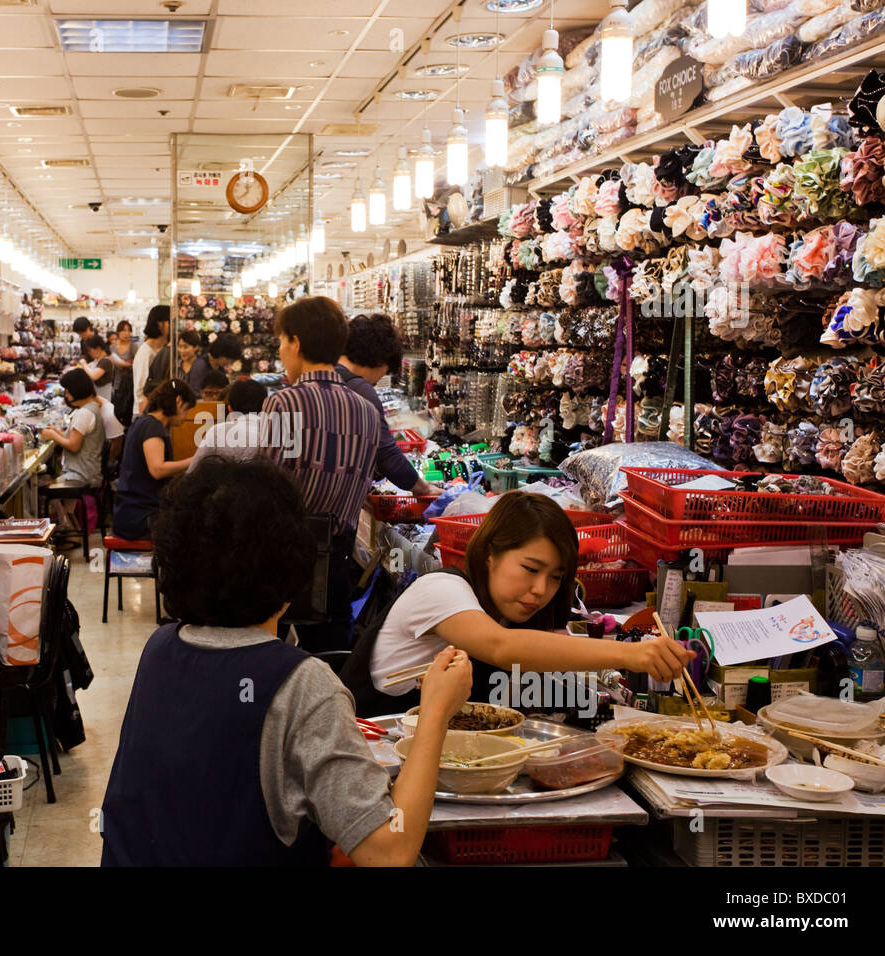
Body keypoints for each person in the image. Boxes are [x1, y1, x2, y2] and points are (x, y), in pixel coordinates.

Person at [101, 457, 474, 866]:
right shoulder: (299, 682)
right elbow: (389, 852)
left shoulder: (160, 648)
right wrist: (436, 712)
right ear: (293, 564)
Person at [343, 491, 695, 716]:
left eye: (556, 577)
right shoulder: (440, 590)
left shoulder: (508, 614)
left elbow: (537, 667)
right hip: (372, 764)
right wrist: (633, 654)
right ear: (491, 553)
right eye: (530, 568)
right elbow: (501, 648)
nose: (541, 590)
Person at [258, 296, 381, 653]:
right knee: (328, 663)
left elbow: (269, 488)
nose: (281, 351)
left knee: (267, 665)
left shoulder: (284, 403)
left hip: (282, 560)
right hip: (336, 562)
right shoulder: (366, 410)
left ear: (296, 342)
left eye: (282, 342)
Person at [337, 314, 436, 498]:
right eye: (385, 371)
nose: (378, 381)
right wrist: (424, 488)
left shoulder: (305, 385)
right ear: (379, 360)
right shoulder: (361, 390)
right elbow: (385, 454)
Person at [112, 378, 196, 541]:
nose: (185, 417)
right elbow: (157, 469)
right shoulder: (152, 426)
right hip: (140, 517)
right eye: (186, 410)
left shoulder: (143, 423)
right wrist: (194, 460)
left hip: (131, 513)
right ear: (178, 401)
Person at [40, 368, 106, 488]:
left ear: (77, 390)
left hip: (81, 475)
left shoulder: (84, 413)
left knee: (40, 487)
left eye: (68, 391)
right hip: (89, 472)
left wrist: (53, 436)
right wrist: (56, 432)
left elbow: (74, 446)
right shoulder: (92, 407)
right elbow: (76, 439)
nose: (66, 395)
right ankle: (67, 508)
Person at [190, 378, 265, 469]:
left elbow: (194, 469)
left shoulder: (217, 432)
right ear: (264, 408)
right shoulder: (273, 433)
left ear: (230, 408)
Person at [132, 306, 169, 417]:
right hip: (145, 411)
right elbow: (140, 388)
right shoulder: (145, 352)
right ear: (160, 324)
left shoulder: (164, 348)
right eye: (169, 321)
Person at [111, 319, 138, 426]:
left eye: (129, 331)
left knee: (127, 408)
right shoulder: (112, 347)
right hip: (116, 383)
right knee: (116, 409)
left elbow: (136, 363)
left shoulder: (133, 346)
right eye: (123, 330)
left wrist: (123, 364)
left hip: (129, 384)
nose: (127, 333)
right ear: (118, 332)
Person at [81, 334, 114, 403]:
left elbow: (94, 376)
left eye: (90, 350)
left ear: (98, 348)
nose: (89, 353)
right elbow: (88, 368)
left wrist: (84, 364)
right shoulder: (97, 360)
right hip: (97, 398)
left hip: (103, 398)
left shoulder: (106, 361)